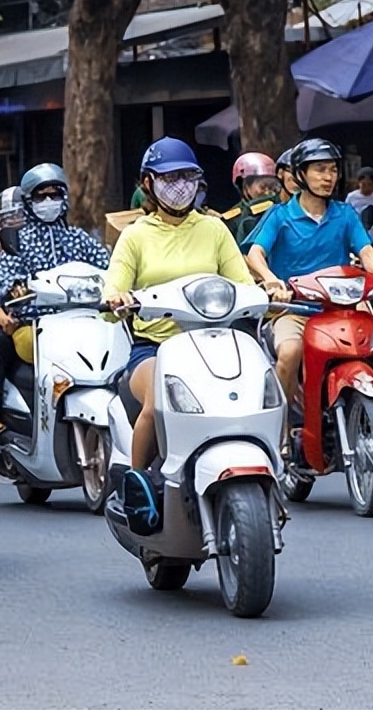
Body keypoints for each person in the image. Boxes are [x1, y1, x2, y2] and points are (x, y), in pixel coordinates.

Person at [104, 137, 254, 532]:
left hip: (214, 345)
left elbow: (242, 281)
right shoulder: (136, 235)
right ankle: (137, 487)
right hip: (154, 347)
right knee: (156, 402)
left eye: (187, 176)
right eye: (169, 178)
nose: (180, 184)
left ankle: (274, 463)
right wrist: (117, 297)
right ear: (148, 184)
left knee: (258, 387)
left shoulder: (214, 229)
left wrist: (265, 291)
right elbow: (114, 285)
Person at [244, 138, 373, 458]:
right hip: (295, 308)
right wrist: (271, 281)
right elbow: (255, 255)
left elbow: (366, 253)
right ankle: (279, 431)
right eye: (320, 170)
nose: (328, 177)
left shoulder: (344, 213)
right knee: (290, 351)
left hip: (343, 307)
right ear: (301, 174)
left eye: (333, 170)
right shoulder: (280, 216)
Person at [0, 164, 108, 436]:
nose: (48, 202)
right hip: (34, 322)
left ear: (64, 200)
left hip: (81, 319)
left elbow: (107, 269)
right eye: (40, 196)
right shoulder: (16, 241)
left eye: (54, 194)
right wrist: (20, 291)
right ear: (28, 202)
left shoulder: (78, 238)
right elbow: (6, 283)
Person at [220, 152, 280, 240]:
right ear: (246, 187)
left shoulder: (282, 208)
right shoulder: (233, 219)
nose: (268, 192)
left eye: (273, 187)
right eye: (263, 187)